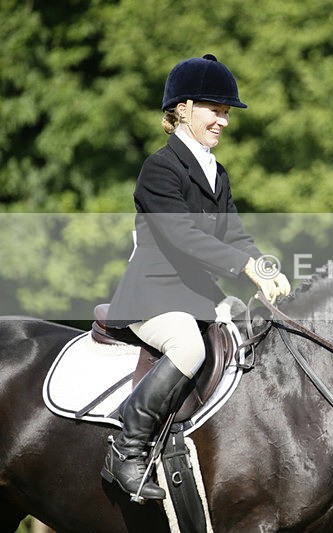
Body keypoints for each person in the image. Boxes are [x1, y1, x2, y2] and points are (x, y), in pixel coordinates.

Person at [101, 54, 291, 501]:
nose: (223, 120)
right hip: (151, 295)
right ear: (183, 108)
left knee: (253, 334)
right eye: (215, 110)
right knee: (188, 345)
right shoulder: (160, 168)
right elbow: (181, 235)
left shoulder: (216, 173)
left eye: (226, 113)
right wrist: (243, 267)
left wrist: (264, 269)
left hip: (196, 295)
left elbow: (236, 234)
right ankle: (126, 452)